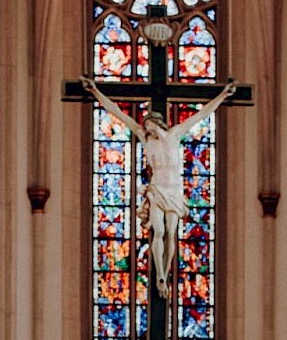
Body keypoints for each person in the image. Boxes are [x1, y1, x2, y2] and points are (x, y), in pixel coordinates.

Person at [81, 76, 237, 292]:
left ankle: (166, 271)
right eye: (145, 126)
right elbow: (118, 114)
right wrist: (96, 93)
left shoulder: (175, 134)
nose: (147, 128)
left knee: (171, 233)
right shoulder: (147, 140)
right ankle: (160, 277)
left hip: (173, 190)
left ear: (156, 122)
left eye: (149, 124)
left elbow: (202, 114)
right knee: (159, 231)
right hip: (156, 189)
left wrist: (223, 95)